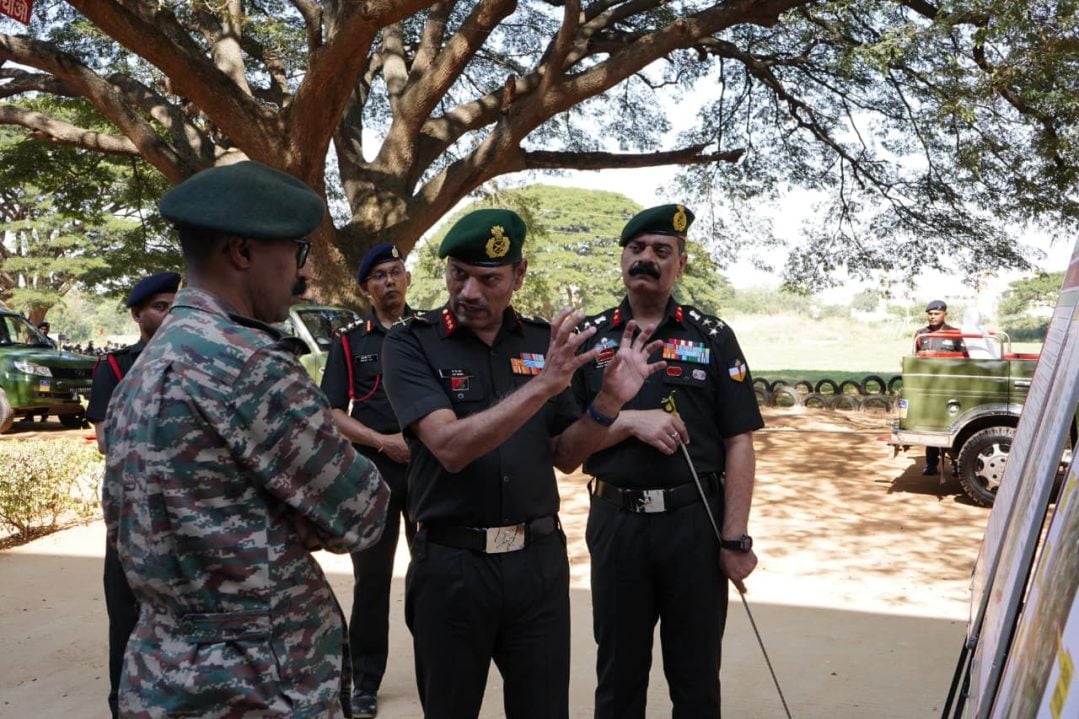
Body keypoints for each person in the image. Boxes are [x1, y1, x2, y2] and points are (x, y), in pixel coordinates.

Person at [100, 160, 390, 718]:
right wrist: (293, 514)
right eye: (296, 252)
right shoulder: (251, 366)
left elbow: (141, 524)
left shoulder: (142, 368)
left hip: (162, 678)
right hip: (259, 685)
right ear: (241, 252)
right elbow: (364, 513)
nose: (299, 273)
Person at [381, 208, 665, 719]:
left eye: (488, 279)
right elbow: (449, 447)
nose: (469, 292)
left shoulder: (541, 343)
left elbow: (566, 456)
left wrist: (608, 405)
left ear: (519, 275)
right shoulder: (410, 342)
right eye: (458, 274)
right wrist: (542, 385)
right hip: (452, 565)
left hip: (537, 564)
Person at [572, 203, 764, 718]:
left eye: (662, 251)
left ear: (680, 263)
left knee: (697, 677)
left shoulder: (713, 337)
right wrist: (630, 423)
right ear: (622, 259)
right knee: (618, 676)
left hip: (694, 528)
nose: (646, 260)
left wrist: (734, 537)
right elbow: (567, 447)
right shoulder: (590, 340)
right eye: (636, 249)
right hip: (617, 525)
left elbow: (739, 442)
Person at [320, 242, 418, 718]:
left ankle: (440, 668)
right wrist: (382, 442)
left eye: (396, 272)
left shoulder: (429, 333)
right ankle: (365, 683)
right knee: (372, 583)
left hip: (427, 474)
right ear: (366, 288)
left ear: (408, 279)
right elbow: (333, 411)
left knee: (435, 577)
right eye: (378, 275)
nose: (389, 282)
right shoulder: (348, 342)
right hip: (372, 476)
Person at [85, 270, 181, 718]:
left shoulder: (191, 361)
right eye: (159, 307)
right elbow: (108, 439)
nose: (167, 314)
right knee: (126, 617)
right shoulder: (116, 366)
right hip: (132, 515)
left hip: (186, 512)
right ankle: (123, 705)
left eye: (173, 305)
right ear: (137, 314)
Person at [915, 299, 965, 475]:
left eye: (936, 314)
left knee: (955, 425)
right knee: (933, 425)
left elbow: (965, 360)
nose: (932, 317)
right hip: (930, 387)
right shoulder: (921, 334)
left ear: (945, 314)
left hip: (951, 386)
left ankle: (957, 464)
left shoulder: (955, 334)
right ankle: (931, 464)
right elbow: (916, 359)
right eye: (930, 314)